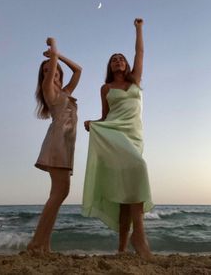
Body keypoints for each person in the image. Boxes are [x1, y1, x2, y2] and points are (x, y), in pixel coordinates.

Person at [82, 18, 154, 259]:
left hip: (135, 136)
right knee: (139, 167)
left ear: (126, 64)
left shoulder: (136, 80)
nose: (118, 61)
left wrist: (139, 28)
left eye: (121, 58)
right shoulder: (106, 88)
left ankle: (122, 249)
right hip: (116, 137)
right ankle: (140, 237)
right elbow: (106, 117)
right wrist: (93, 124)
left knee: (127, 195)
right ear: (110, 67)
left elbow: (140, 51)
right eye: (114, 59)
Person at [27, 37, 82, 253]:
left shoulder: (66, 92)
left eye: (56, 70)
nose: (53, 72)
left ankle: (44, 245)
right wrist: (53, 47)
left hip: (66, 145)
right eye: (48, 71)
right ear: (45, 75)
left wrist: (58, 57)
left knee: (58, 193)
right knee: (59, 193)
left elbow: (78, 70)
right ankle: (35, 243)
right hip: (57, 143)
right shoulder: (47, 88)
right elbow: (50, 72)